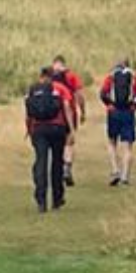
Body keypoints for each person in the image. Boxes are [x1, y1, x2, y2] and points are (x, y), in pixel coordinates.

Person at [22, 65, 72, 213]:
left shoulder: (32, 89)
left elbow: (28, 111)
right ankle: (57, 199)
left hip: (38, 129)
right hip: (57, 129)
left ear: (41, 76)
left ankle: (41, 200)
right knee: (57, 163)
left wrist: (28, 128)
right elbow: (67, 107)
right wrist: (71, 129)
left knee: (41, 161)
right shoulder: (60, 88)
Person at [97, 56, 136, 186]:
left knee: (112, 142)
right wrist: (134, 107)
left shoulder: (111, 77)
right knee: (127, 146)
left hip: (113, 112)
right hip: (128, 113)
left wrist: (109, 105)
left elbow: (102, 94)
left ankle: (115, 170)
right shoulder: (135, 78)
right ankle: (125, 176)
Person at [47, 57, 86, 188]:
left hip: (52, 115)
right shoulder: (71, 76)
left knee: (55, 143)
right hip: (70, 111)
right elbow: (79, 95)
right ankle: (67, 167)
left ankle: (56, 169)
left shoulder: (48, 77)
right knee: (69, 142)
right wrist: (83, 111)